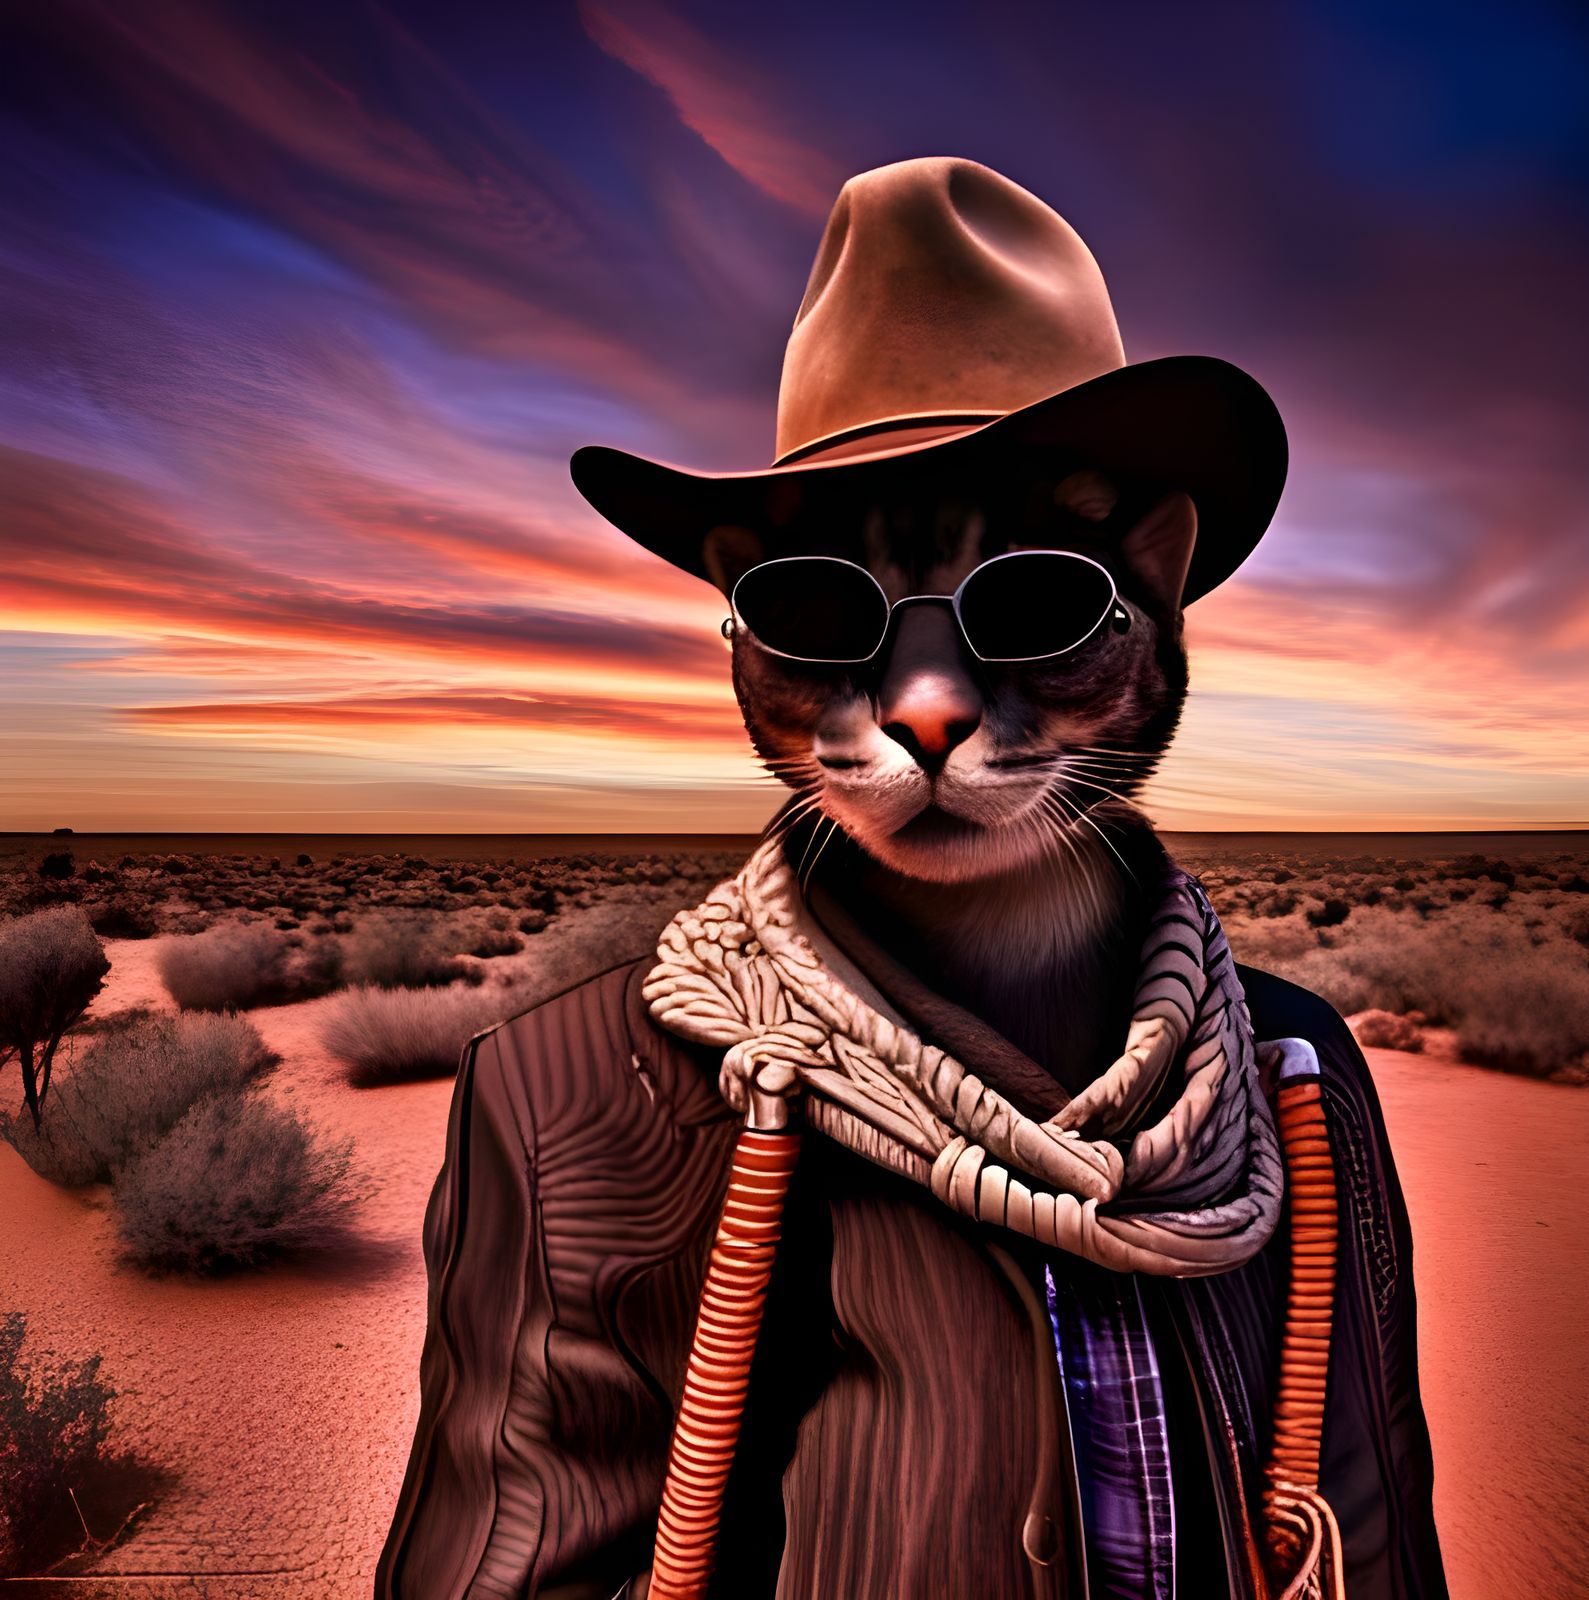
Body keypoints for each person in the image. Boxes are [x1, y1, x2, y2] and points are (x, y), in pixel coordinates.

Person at [375, 157, 1447, 1600]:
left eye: (1040, 601)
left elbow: (1364, 1529)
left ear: (1163, 598)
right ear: (736, 635)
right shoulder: (571, 1093)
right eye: (821, 611)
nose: (924, 706)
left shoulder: (1295, 1071)